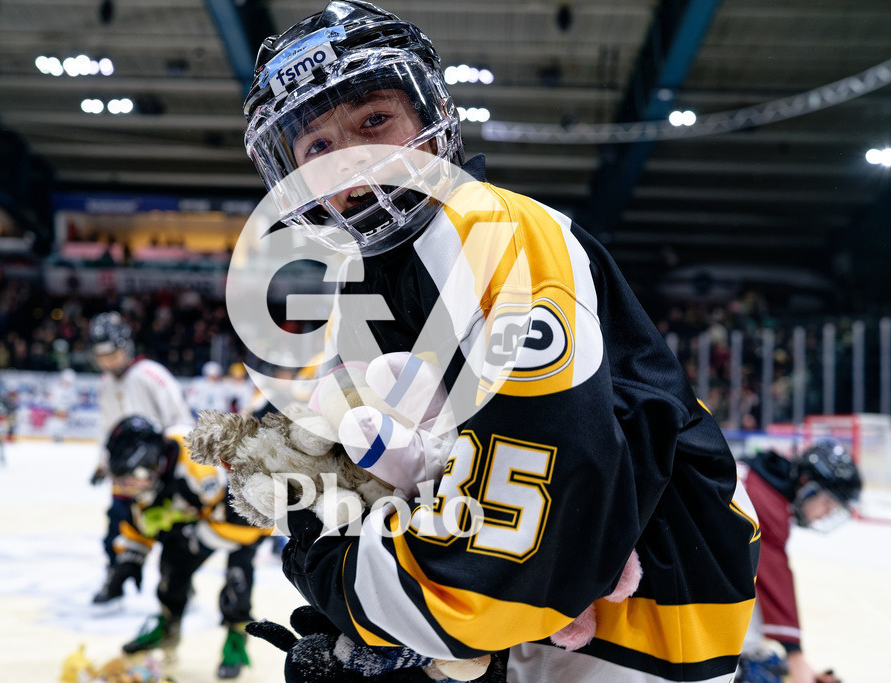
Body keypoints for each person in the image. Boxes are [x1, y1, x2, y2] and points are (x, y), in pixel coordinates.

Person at [239, 2, 761, 681]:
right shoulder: (370, 277)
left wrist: (350, 582)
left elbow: (515, 541)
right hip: (546, 613)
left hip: (652, 619)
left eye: (374, 120)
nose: (354, 162)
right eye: (318, 147)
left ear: (430, 118)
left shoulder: (492, 233)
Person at [102, 415, 271, 679]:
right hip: (202, 515)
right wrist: (131, 557)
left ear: (151, 463)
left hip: (245, 516)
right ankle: (168, 626)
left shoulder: (201, 468)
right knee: (173, 562)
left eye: (133, 478)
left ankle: (236, 636)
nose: (128, 487)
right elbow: (143, 517)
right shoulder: (148, 472)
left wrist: (195, 534)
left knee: (238, 578)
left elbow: (253, 520)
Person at [87, 312, 193, 607]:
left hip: (159, 470)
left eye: (111, 352)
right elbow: (107, 427)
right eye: (100, 355)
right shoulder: (106, 384)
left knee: (171, 531)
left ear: (126, 346)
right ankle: (115, 577)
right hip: (124, 473)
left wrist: (177, 460)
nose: (107, 361)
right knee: (117, 527)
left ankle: (182, 583)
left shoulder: (151, 375)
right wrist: (102, 462)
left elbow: (179, 419)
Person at [736, 443, 861, 683]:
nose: (826, 513)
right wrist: (795, 656)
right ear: (806, 485)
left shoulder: (761, 479)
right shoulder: (767, 503)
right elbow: (774, 574)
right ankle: (738, 662)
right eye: (827, 503)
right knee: (749, 583)